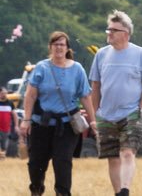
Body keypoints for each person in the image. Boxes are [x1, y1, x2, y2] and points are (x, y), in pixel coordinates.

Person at [21, 31, 96, 196]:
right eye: (55, 44)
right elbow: (30, 94)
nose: (59, 48)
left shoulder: (77, 69)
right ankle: (36, 190)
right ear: (50, 47)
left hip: (67, 126)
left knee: (62, 162)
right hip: (42, 124)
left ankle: (62, 193)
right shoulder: (41, 67)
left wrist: (93, 121)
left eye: (62, 44)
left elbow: (85, 96)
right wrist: (26, 120)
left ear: (67, 48)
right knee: (36, 164)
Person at [90, 10, 142, 196]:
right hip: (106, 115)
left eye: (113, 30)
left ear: (126, 34)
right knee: (112, 158)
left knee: (127, 153)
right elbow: (95, 87)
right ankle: (118, 193)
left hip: (131, 113)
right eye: (108, 29)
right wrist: (95, 114)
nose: (109, 33)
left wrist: (141, 110)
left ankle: (125, 190)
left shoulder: (140, 54)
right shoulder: (101, 55)